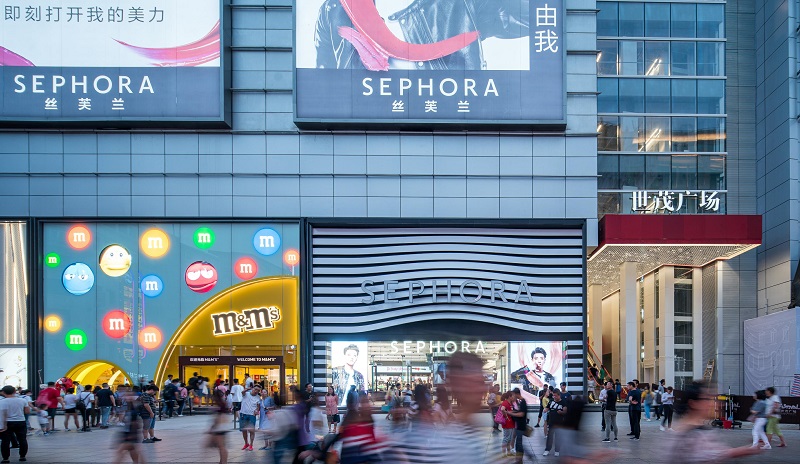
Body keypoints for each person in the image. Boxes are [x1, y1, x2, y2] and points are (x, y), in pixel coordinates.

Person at [313, 0, 530, 71]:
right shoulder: (335, 10)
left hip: (451, 132)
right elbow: (325, 92)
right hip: (367, 138)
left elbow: (533, 17)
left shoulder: (461, 3)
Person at [665, 380, 761, 463]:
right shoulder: (689, 435)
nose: (714, 403)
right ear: (693, 403)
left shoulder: (697, 429)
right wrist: (743, 451)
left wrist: (744, 451)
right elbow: (712, 455)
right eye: (708, 399)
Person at [113, 388, 144, 464]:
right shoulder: (129, 405)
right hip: (129, 433)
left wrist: (131, 434)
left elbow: (135, 422)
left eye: (128, 395)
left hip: (130, 433)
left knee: (120, 452)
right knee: (134, 451)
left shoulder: (133, 407)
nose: (125, 397)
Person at [206, 390, 230, 464]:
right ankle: (222, 461)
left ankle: (224, 462)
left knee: (221, 446)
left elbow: (218, 417)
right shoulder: (222, 404)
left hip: (220, 427)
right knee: (221, 446)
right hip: (222, 427)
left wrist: (213, 427)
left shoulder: (220, 405)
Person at [543, 388, 566, 456]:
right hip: (551, 422)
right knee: (550, 436)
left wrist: (561, 412)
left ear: (559, 395)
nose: (554, 397)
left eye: (555, 395)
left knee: (558, 436)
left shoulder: (563, 402)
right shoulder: (551, 401)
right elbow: (547, 408)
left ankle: (557, 450)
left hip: (559, 422)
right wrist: (545, 410)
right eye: (553, 395)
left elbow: (565, 411)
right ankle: (547, 449)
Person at [238, 383, 261, 451]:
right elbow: (242, 392)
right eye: (255, 389)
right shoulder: (246, 394)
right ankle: (246, 443)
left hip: (252, 415)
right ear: (252, 389)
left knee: (251, 430)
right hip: (243, 414)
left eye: (258, 390)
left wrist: (257, 410)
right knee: (244, 430)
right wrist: (247, 389)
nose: (256, 391)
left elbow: (258, 407)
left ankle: (251, 444)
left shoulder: (258, 397)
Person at [506, 387, 528, 459]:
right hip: (519, 425)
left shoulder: (523, 402)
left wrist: (511, 413)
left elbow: (521, 414)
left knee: (519, 443)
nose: (513, 396)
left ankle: (520, 458)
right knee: (518, 442)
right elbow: (519, 412)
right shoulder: (521, 401)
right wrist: (513, 412)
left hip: (521, 425)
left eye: (513, 394)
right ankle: (519, 458)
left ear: (517, 394)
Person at [499, 391, 516, 457]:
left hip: (511, 423)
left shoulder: (510, 403)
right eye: (513, 396)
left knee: (509, 439)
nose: (514, 397)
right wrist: (506, 416)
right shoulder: (505, 403)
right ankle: (503, 453)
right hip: (507, 423)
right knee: (506, 438)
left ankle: (508, 452)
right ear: (509, 396)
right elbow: (502, 409)